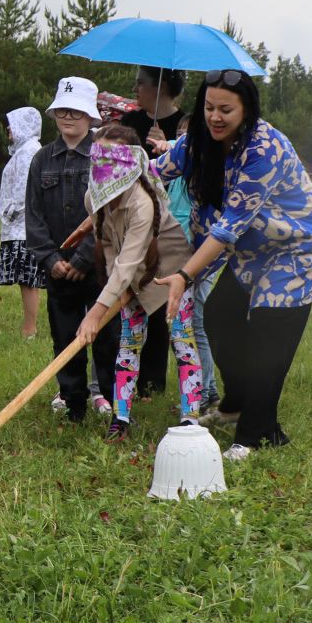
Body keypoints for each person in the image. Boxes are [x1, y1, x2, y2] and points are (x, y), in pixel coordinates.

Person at [154, 69, 312, 461]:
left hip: (295, 246)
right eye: (208, 108)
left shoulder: (264, 149)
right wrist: (105, 202)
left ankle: (257, 434)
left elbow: (227, 228)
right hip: (253, 249)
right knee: (220, 317)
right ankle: (237, 405)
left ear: (247, 110)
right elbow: (154, 173)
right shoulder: (199, 140)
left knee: (269, 337)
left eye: (226, 110)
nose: (215, 117)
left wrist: (184, 275)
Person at [72, 125, 202, 441]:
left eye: (112, 159)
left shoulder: (143, 203)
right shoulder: (94, 197)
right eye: (98, 157)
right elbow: (111, 248)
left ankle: (190, 418)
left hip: (172, 268)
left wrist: (95, 313)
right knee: (129, 341)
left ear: (129, 163)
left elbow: (129, 259)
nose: (103, 166)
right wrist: (122, 289)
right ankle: (121, 418)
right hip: (132, 275)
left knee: (181, 340)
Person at [21, 77, 120, 420]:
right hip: (58, 270)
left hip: (100, 266)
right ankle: (73, 399)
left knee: (107, 336)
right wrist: (50, 258)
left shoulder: (105, 157)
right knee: (64, 336)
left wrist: (83, 256)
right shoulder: (42, 159)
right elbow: (32, 216)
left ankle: (109, 397)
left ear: (91, 116)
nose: (68, 117)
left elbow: (111, 212)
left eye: (76, 111)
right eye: (62, 110)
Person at [121, 67, 190, 398]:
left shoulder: (187, 126)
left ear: (163, 87)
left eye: (142, 83)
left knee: (162, 299)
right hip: (132, 222)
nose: (136, 88)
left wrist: (170, 148)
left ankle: (152, 382)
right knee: (131, 296)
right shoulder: (129, 125)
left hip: (168, 225)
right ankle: (124, 379)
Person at [0, 105, 45, 339]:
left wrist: (10, 212)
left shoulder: (29, 152)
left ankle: (30, 327)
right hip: (19, 226)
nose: (8, 131)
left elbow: (25, 190)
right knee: (25, 279)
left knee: (28, 278)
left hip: (24, 227)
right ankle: (29, 324)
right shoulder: (23, 150)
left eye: (12, 126)